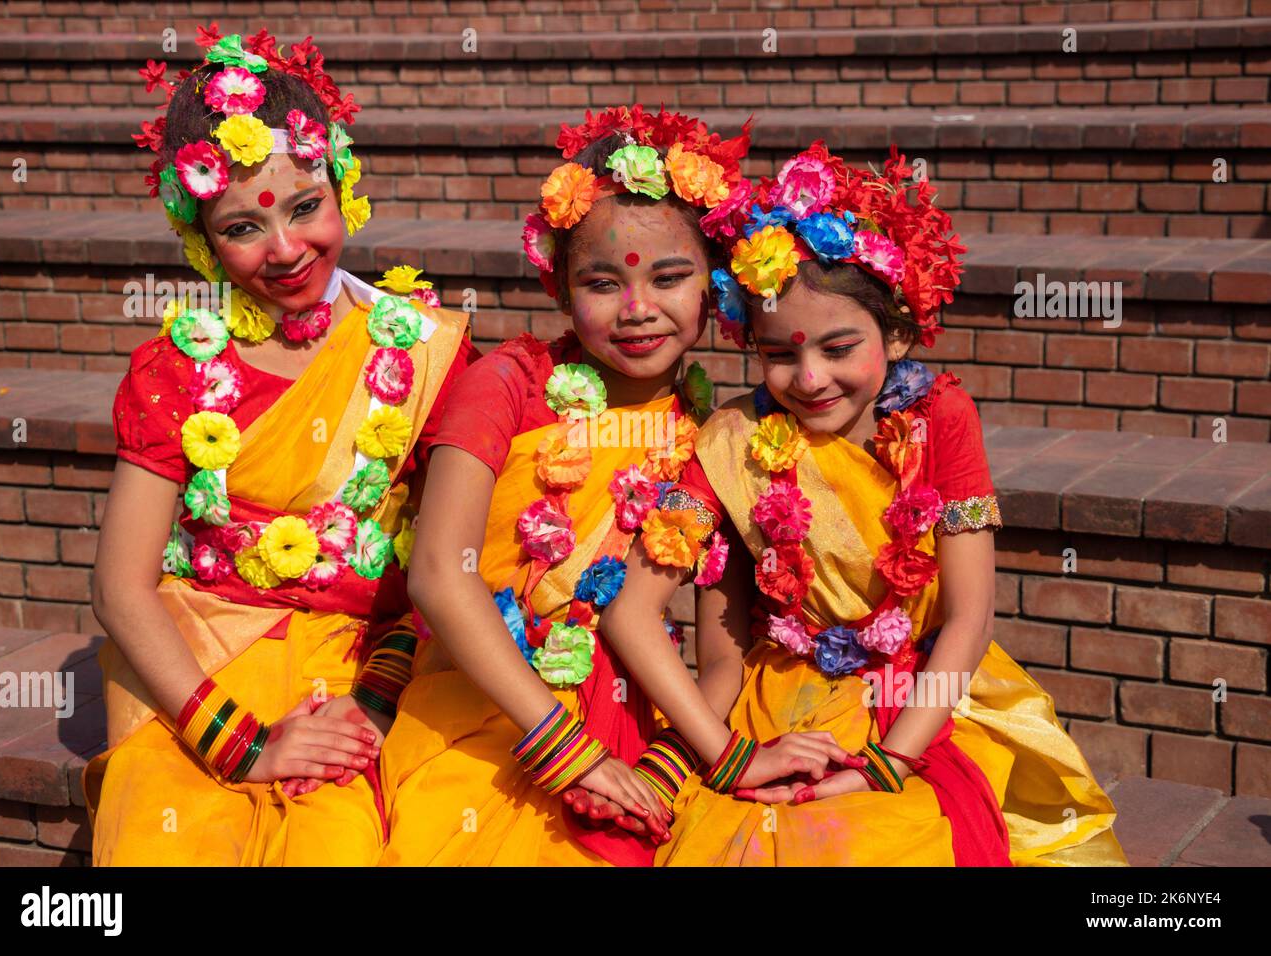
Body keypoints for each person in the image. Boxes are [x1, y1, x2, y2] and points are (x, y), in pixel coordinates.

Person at [598, 141, 1130, 866]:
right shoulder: (732, 442)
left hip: (928, 699)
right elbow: (630, 611)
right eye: (780, 354)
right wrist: (726, 757)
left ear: (900, 333)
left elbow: (968, 618)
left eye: (840, 347)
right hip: (782, 705)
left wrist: (893, 761)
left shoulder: (941, 417)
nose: (811, 378)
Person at [84, 27, 478, 865]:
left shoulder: (422, 351)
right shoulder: (172, 372)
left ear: (344, 188)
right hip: (199, 666)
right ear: (200, 239)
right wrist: (247, 747)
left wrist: (369, 710)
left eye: (306, 207)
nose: (287, 249)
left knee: (342, 841)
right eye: (242, 228)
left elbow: (445, 563)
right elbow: (121, 588)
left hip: (363, 664)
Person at [375, 105, 752, 866]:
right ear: (558, 288)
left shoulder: (707, 430)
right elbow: (440, 579)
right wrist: (567, 753)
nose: (639, 310)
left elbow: (727, 648)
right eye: (602, 283)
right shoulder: (507, 385)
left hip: (644, 717)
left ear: (713, 289)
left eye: (671, 278)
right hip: (489, 704)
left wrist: (669, 763)